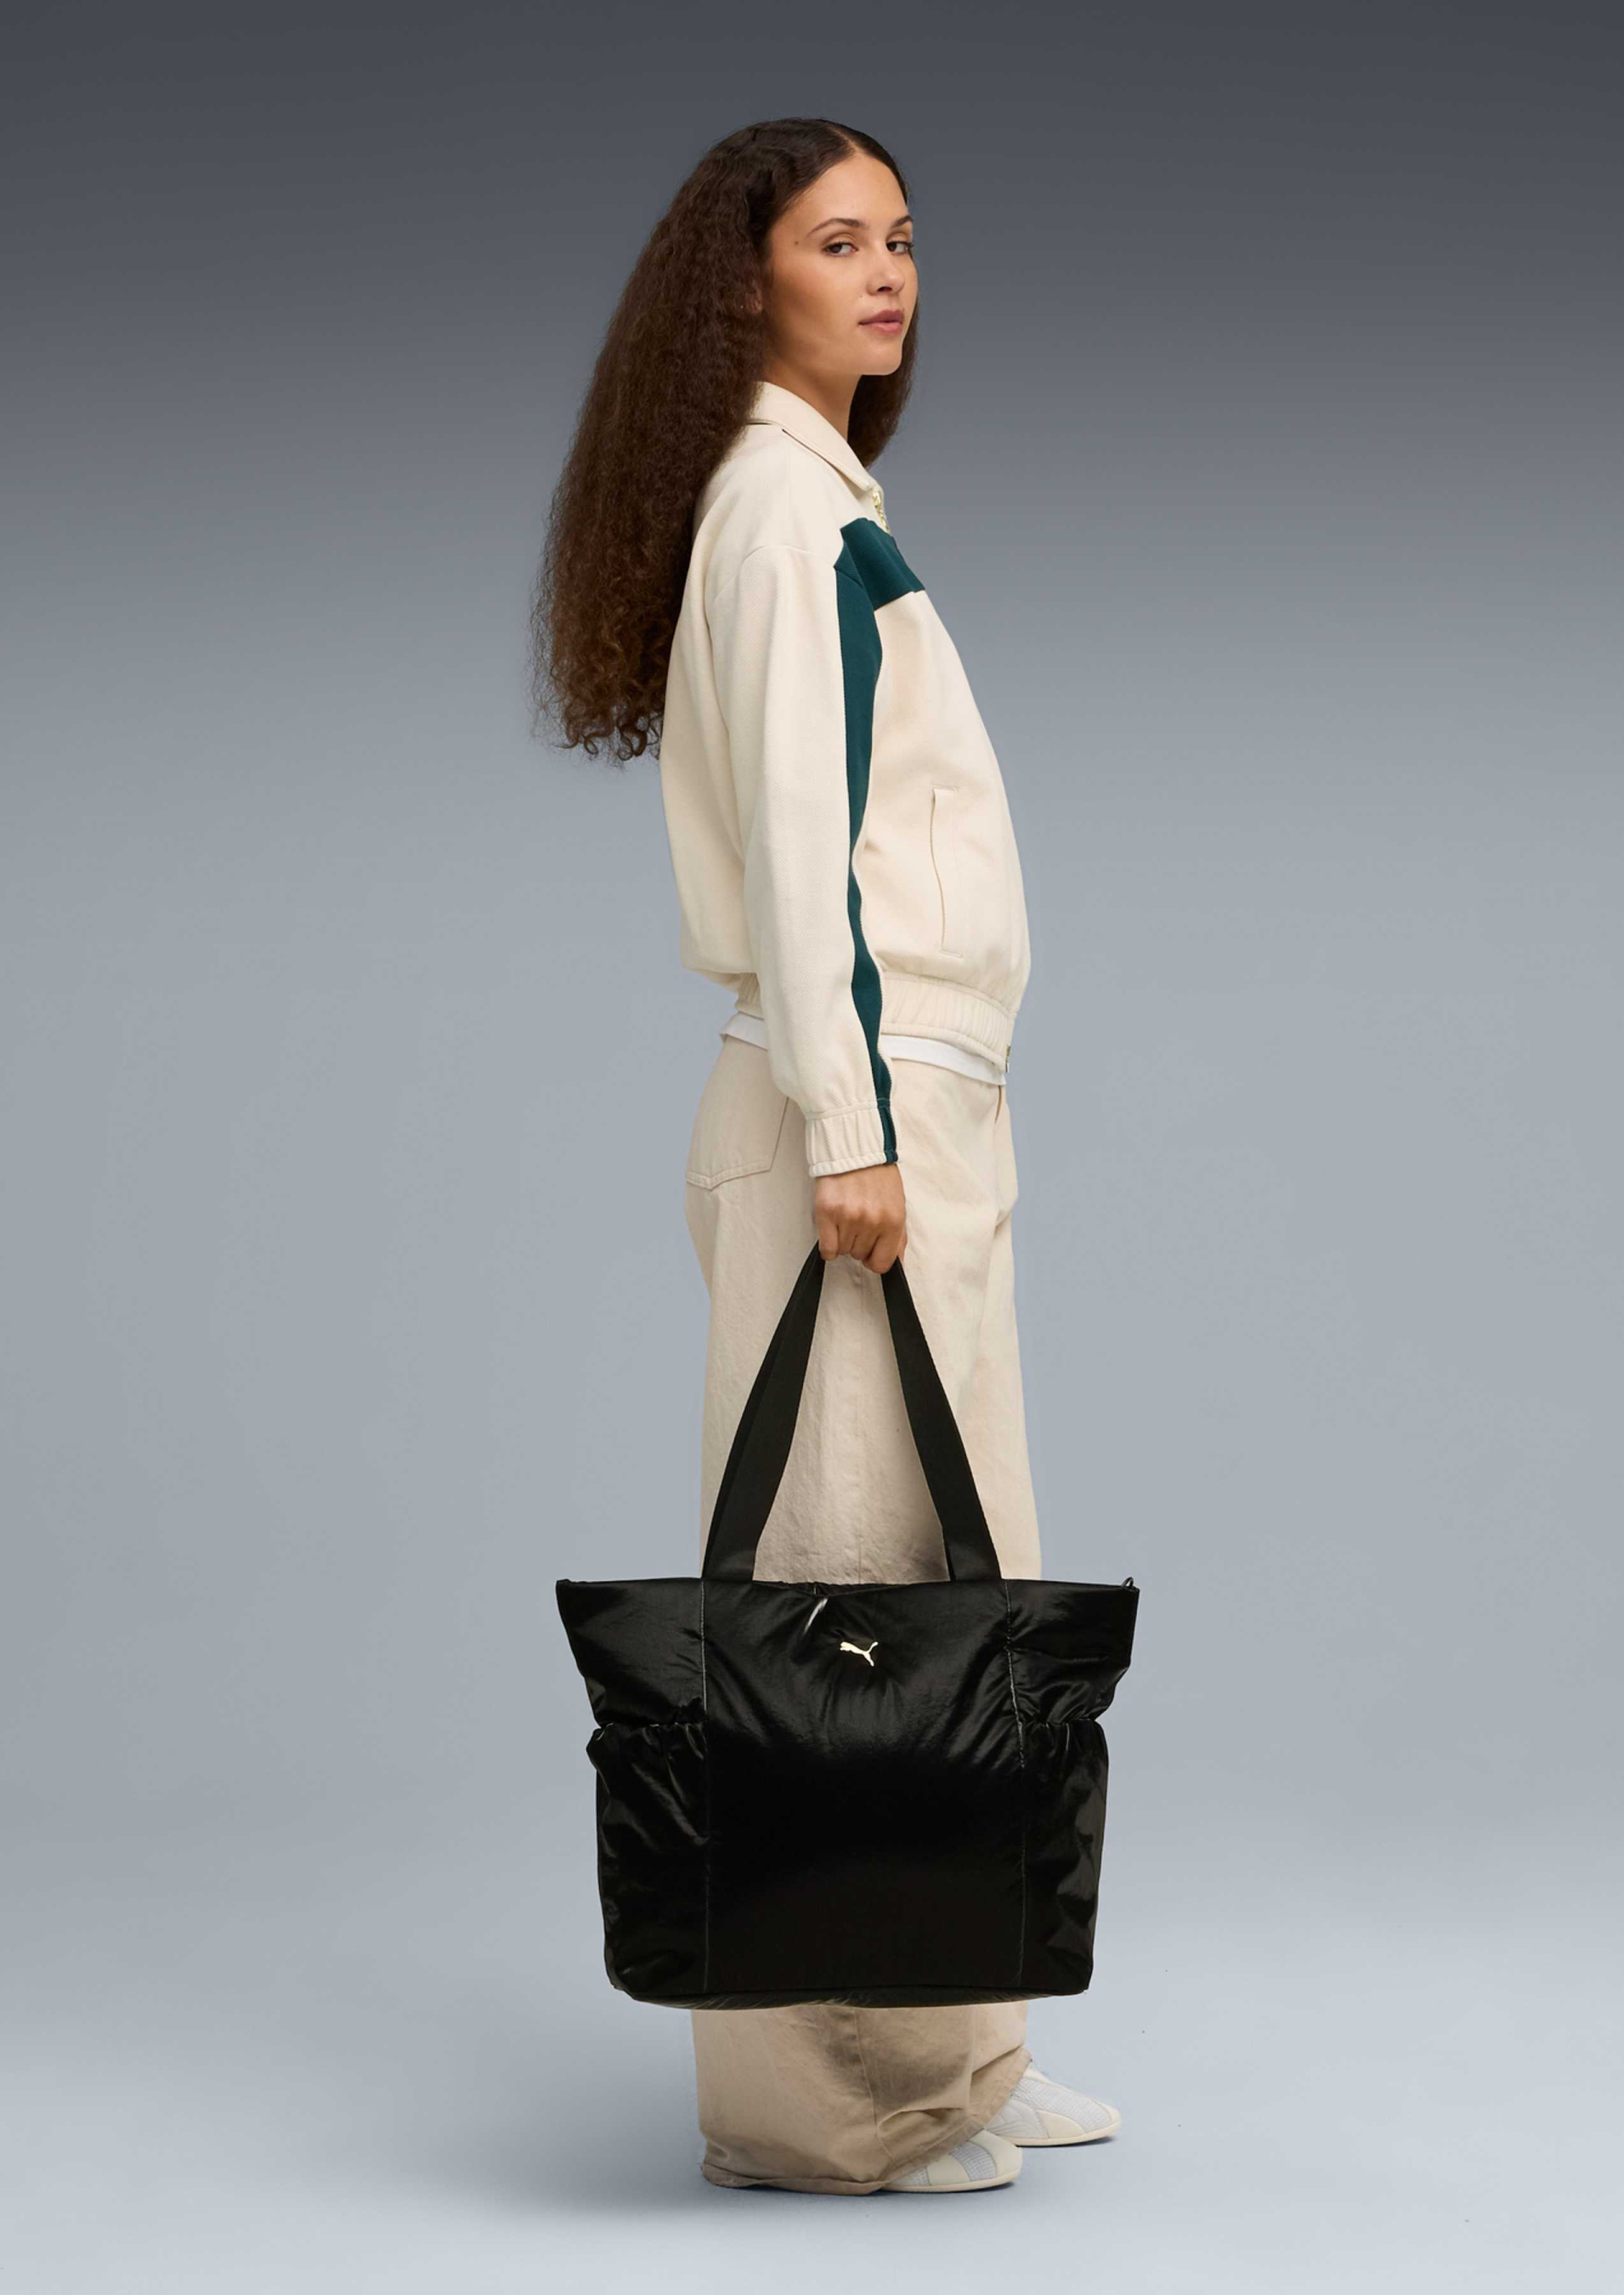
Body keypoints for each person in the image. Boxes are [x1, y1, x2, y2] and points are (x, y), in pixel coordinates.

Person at [531, 115, 1122, 2196]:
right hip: (844, 1118)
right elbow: (803, 855)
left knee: (949, 1582)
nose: (886, 275)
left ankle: (954, 2042)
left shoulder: (826, 502)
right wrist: (851, 1131)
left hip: (912, 1103)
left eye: (901, 240)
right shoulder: (781, 513)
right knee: (835, 1614)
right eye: (835, 241)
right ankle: (819, 2108)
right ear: (744, 281)